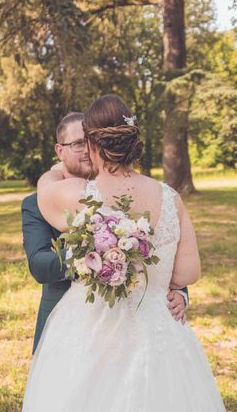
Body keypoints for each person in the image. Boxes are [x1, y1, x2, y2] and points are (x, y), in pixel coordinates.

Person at [22, 96, 226, 411]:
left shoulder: (74, 195)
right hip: (158, 328)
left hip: (91, 329)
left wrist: (53, 170)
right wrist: (169, 289)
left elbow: (43, 190)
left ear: (91, 144)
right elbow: (187, 274)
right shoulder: (170, 198)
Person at [21, 112, 189, 354]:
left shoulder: (133, 193)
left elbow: (165, 243)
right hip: (66, 328)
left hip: (134, 327)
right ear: (60, 151)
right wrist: (91, 255)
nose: (87, 149)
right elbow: (39, 264)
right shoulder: (37, 202)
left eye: (91, 139)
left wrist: (180, 292)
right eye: (78, 143)